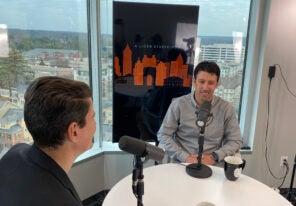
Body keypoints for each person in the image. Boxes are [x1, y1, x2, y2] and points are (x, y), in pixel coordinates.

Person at [0, 76, 96, 206]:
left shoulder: (14, 154)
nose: (95, 124)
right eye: (92, 117)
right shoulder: (61, 201)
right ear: (74, 131)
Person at [157, 61, 243, 164]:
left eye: (210, 83)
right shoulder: (178, 104)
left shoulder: (226, 108)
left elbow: (235, 140)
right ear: (194, 81)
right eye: (202, 82)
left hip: (211, 165)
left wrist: (214, 157)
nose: (205, 87)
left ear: (217, 84)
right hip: (182, 163)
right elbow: (163, 134)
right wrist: (184, 157)